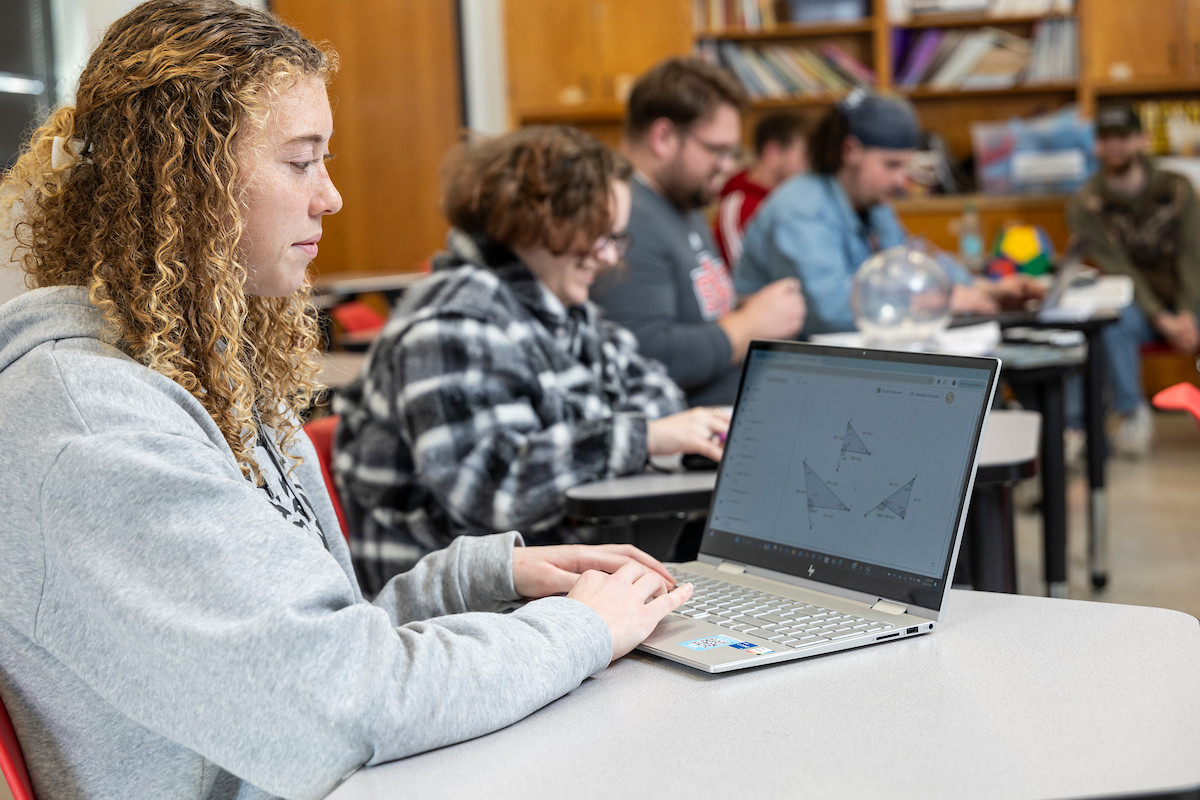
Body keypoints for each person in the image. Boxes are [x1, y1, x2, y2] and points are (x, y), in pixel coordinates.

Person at [0, 4, 692, 798]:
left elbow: (311, 656)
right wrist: (581, 631)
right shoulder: (89, 428)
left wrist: (481, 579)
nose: (329, 197)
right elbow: (337, 709)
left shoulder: (206, 371)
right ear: (183, 184)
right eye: (300, 163)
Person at [334, 125, 730, 594]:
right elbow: (493, 487)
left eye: (616, 239)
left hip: (549, 577)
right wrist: (641, 437)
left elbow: (657, 393)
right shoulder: (455, 321)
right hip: (456, 602)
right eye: (598, 236)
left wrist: (645, 433)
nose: (608, 257)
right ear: (538, 221)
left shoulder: (561, 308)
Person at [735, 91, 1044, 338]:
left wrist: (984, 289)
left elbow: (911, 263)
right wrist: (943, 299)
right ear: (850, 151)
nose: (902, 181)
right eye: (891, 165)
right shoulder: (799, 211)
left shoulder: (872, 204)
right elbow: (830, 313)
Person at [591, 58, 806, 408]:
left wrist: (755, 309)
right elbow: (645, 354)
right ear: (663, 137)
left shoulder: (682, 202)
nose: (727, 166)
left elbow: (697, 312)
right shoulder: (626, 216)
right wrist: (752, 322)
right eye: (716, 150)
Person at [1067, 104, 1200, 457]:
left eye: (1123, 138)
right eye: (1106, 139)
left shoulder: (1179, 188)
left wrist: (1185, 312)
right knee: (1112, 322)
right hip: (1139, 307)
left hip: (1191, 299)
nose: (1115, 147)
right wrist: (1162, 318)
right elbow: (1119, 268)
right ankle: (1131, 414)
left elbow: (1192, 253)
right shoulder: (1086, 203)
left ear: (1141, 140)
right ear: (1096, 146)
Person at [714, 110, 808, 267]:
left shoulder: (793, 197)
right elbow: (747, 279)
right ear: (773, 154)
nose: (809, 168)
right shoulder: (740, 209)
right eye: (805, 156)